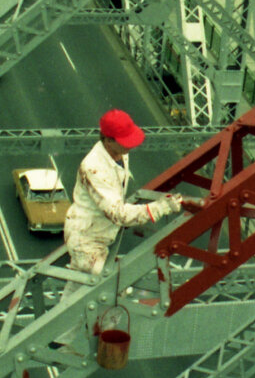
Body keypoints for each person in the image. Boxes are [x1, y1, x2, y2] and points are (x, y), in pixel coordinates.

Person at [64, 108, 195, 276]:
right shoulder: (94, 168)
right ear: (108, 141)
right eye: (125, 141)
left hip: (98, 233)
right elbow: (118, 214)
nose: (131, 145)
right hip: (86, 243)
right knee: (115, 285)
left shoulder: (120, 153)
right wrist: (162, 207)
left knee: (80, 290)